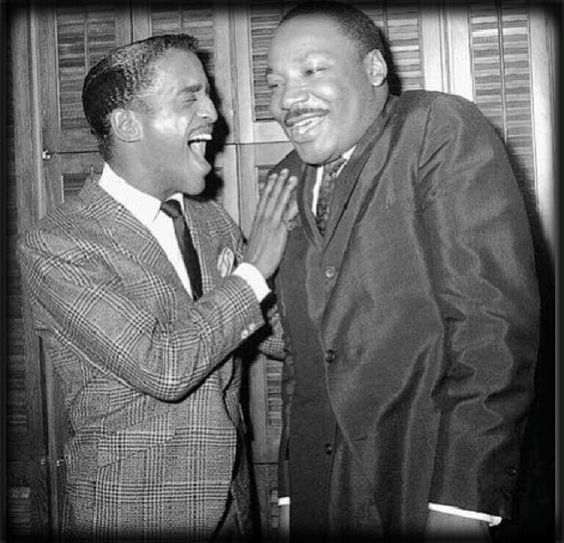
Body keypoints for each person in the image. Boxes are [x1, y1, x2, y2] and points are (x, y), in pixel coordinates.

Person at [265, 2, 540, 541]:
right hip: (325, 494)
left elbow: (491, 328)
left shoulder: (436, 128)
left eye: (312, 70)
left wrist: (462, 503)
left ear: (374, 69)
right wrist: (293, 493)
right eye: (274, 83)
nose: (288, 99)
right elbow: (304, 358)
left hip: (423, 476)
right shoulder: (286, 177)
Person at [18, 34, 297, 542]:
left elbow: (274, 332)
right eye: (191, 98)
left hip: (233, 510)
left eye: (208, 95)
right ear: (127, 125)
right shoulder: (57, 243)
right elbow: (162, 367)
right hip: (136, 511)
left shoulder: (211, 221)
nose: (214, 113)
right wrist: (254, 271)